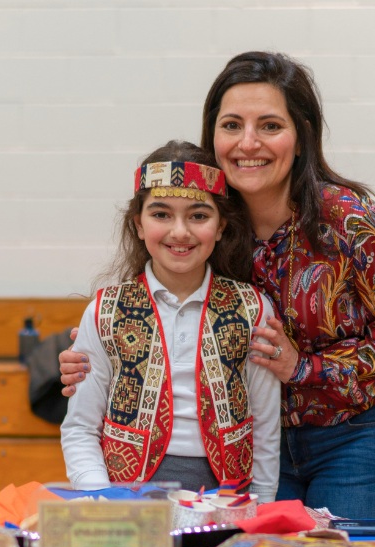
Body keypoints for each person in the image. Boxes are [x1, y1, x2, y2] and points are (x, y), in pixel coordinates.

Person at [61, 53, 375, 518]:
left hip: (354, 436)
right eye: (232, 125)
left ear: (301, 139)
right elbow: (170, 304)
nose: (248, 142)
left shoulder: (346, 217)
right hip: (252, 446)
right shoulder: (205, 209)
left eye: (270, 126)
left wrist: (306, 368)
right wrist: (103, 347)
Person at [60, 140, 281, 503]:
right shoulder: (106, 311)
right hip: (127, 496)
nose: (180, 232)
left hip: (227, 499)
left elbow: (266, 423)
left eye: (198, 215)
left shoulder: (252, 309)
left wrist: (261, 503)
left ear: (221, 226)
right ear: (139, 225)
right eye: (161, 215)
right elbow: (81, 427)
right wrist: (103, 500)